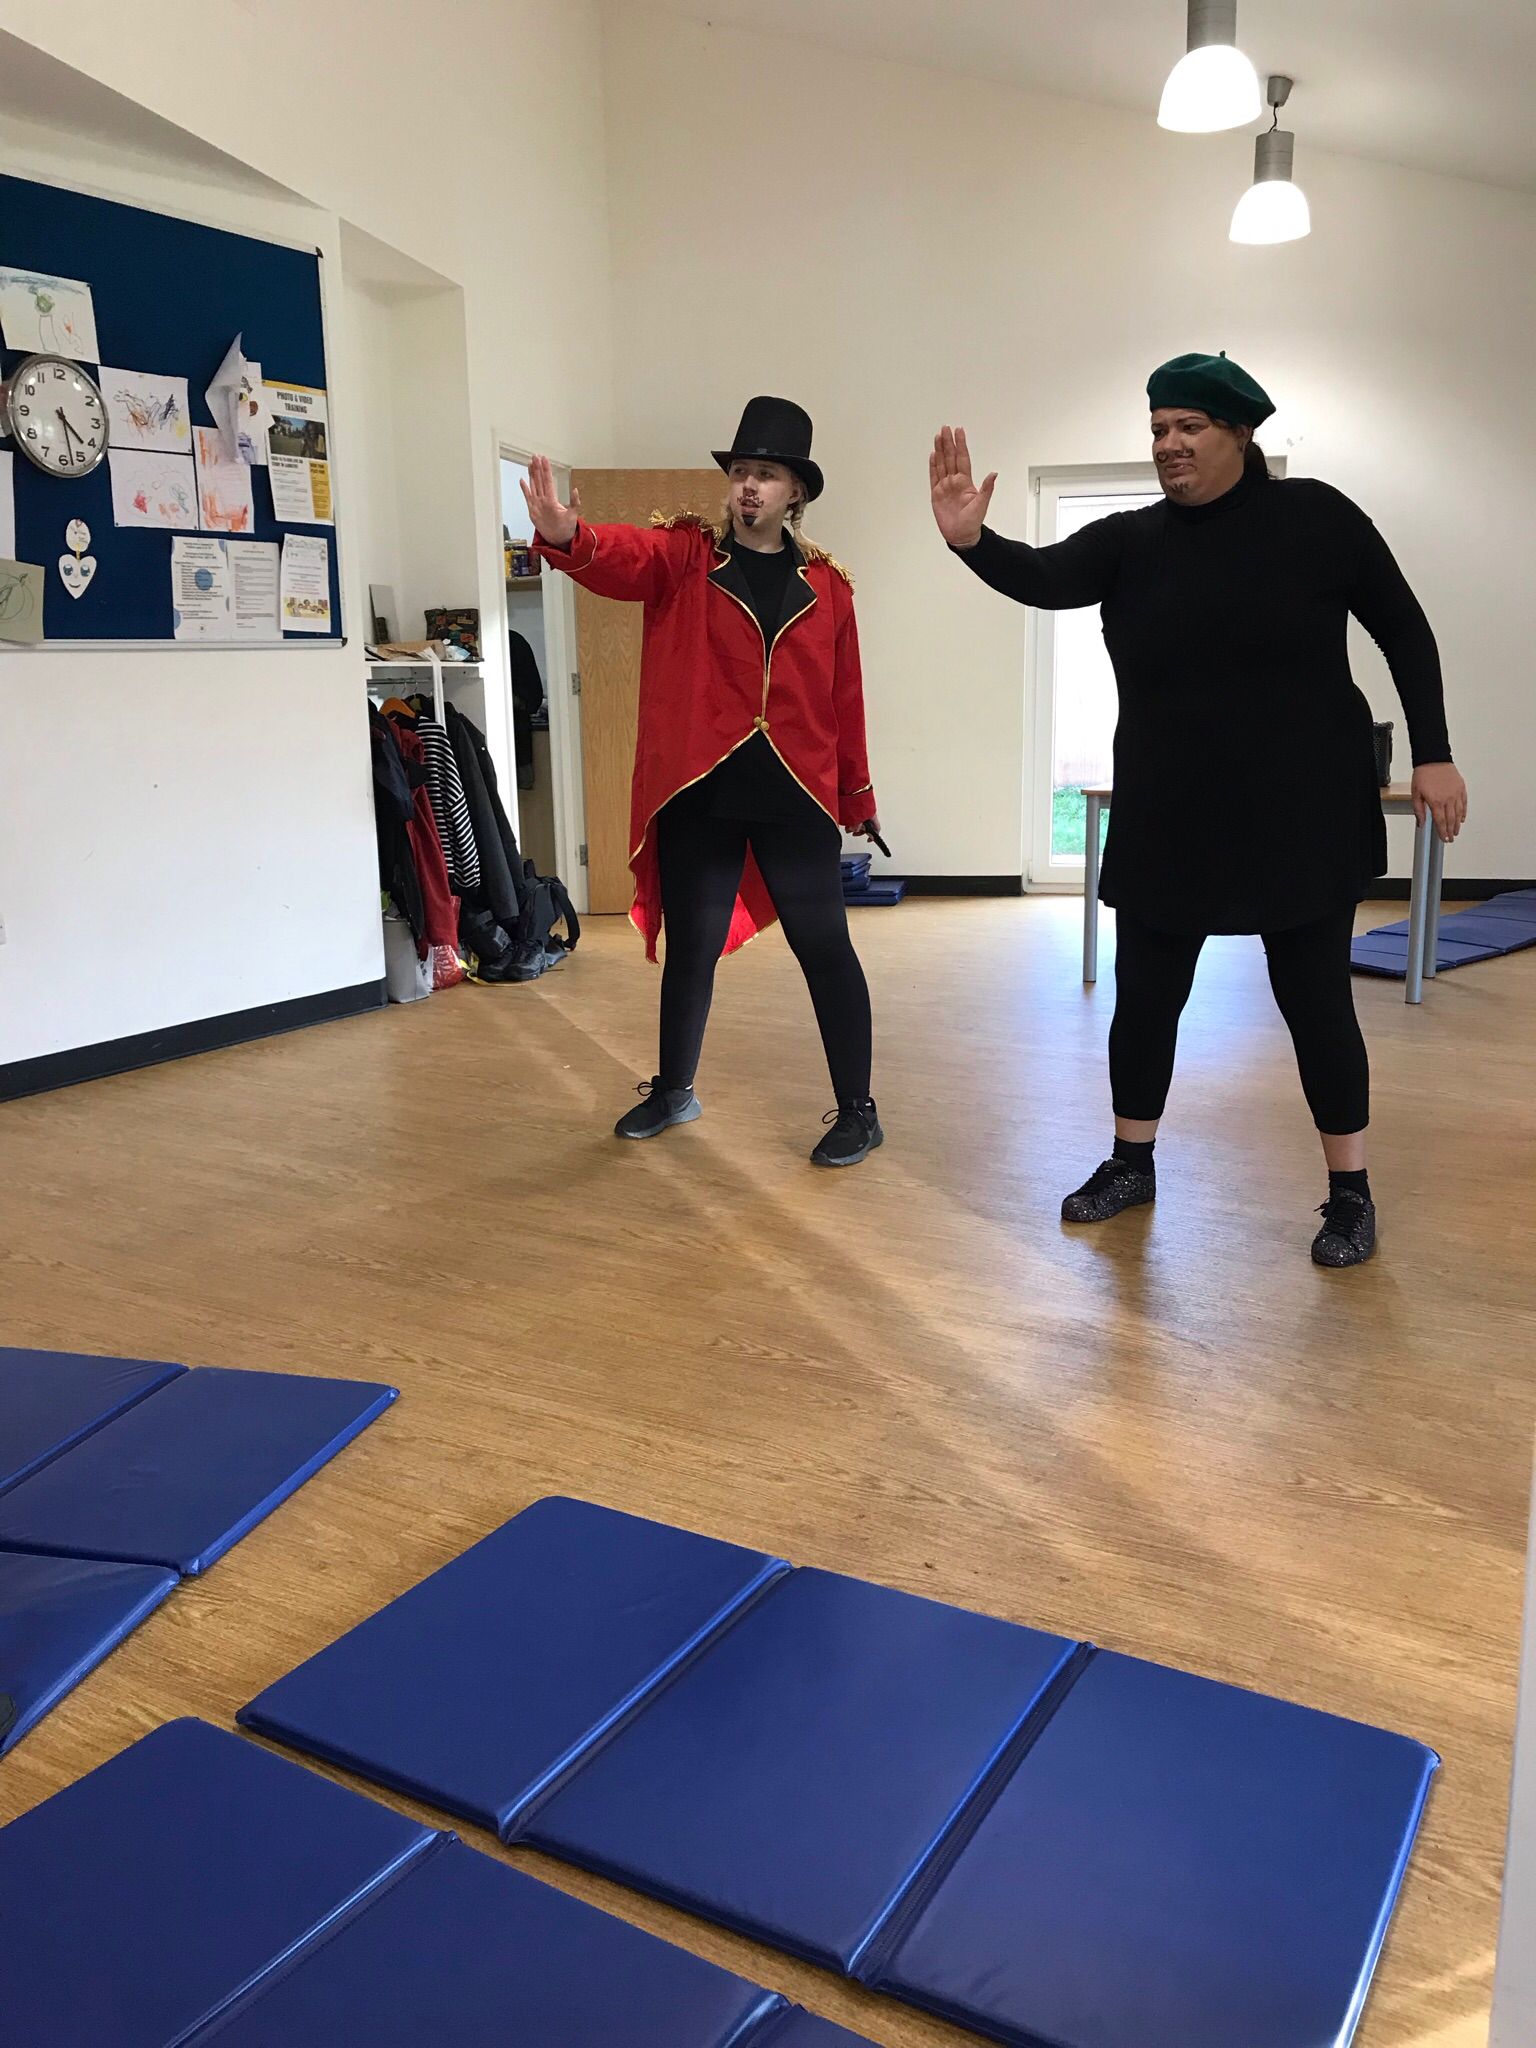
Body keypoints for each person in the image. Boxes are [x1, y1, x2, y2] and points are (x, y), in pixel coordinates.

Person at [932, 352, 1468, 1266]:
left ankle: (1350, 1193)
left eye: (1188, 427)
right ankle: (1130, 1162)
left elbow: (1404, 627)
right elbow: (1045, 576)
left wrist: (1435, 752)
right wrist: (972, 542)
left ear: (1241, 432)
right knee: (1144, 1002)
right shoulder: (1132, 540)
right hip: (1171, 812)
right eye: (1156, 429)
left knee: (1314, 1005)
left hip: (1298, 813)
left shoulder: (1318, 518)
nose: (1167, 445)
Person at [525, 397, 885, 1166]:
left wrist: (858, 796)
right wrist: (567, 536)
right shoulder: (686, 556)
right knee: (690, 946)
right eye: (742, 473)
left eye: (768, 475)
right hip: (702, 790)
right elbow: (622, 557)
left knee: (825, 947)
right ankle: (673, 1089)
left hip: (797, 795)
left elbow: (845, 697)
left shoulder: (831, 589)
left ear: (797, 492)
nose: (750, 487)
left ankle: (858, 1110)